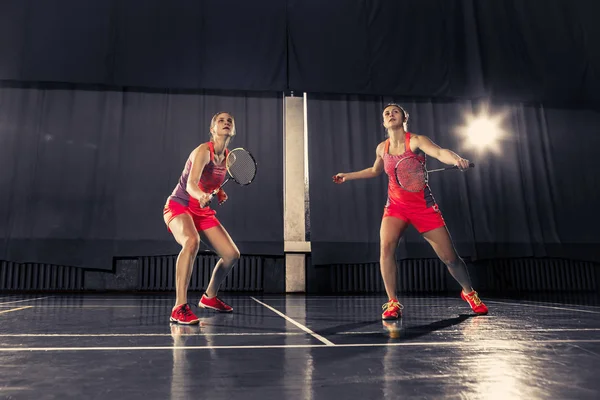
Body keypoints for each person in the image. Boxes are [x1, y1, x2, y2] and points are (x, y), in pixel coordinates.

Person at [333, 104, 488, 320]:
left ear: (404, 117)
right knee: (386, 248)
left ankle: (469, 293)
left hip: (423, 207)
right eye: (386, 113)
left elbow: (439, 152)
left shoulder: (416, 140)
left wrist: (456, 159)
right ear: (383, 121)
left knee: (450, 258)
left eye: (395, 111)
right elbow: (375, 170)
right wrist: (347, 176)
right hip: (395, 207)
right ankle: (392, 302)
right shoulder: (382, 148)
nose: (390, 115)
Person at [163, 112, 241, 324]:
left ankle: (210, 297)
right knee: (191, 241)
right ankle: (179, 307)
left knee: (232, 255)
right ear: (212, 129)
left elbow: (212, 180)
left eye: (229, 121)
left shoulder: (228, 157)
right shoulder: (202, 151)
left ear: (232, 130)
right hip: (179, 205)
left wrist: (218, 191)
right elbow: (191, 184)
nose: (226, 123)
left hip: (201, 212)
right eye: (221, 121)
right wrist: (200, 195)